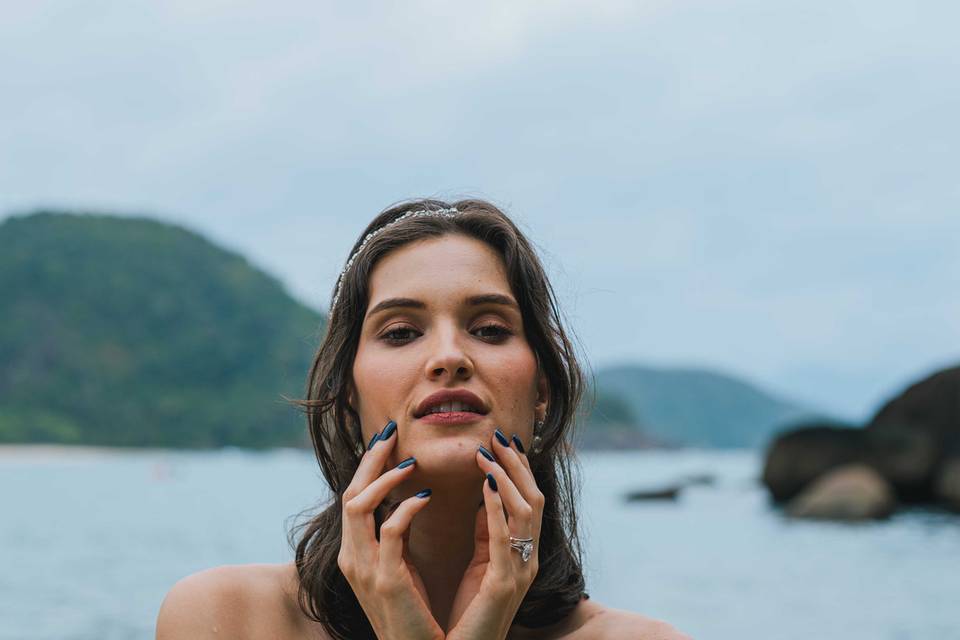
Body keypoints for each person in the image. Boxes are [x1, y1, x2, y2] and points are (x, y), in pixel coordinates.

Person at [156, 198, 691, 639]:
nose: (449, 356)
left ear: (542, 391)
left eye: (488, 329)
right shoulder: (225, 620)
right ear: (347, 398)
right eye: (400, 333)